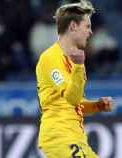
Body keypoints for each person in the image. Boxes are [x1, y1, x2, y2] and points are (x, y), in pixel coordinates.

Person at [36, 1, 113, 158]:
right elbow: (71, 98)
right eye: (87, 26)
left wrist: (97, 106)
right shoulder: (50, 58)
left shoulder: (74, 60)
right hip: (60, 137)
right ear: (73, 27)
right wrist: (78, 66)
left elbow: (75, 103)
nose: (90, 32)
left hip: (76, 138)